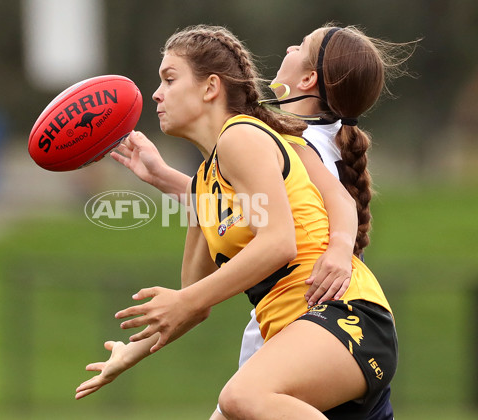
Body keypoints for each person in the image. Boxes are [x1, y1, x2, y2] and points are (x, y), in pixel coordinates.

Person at [75, 25, 400, 419]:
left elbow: (279, 242)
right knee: (239, 401)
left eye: (169, 79)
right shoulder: (206, 186)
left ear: (211, 87)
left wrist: (184, 300)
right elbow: (193, 303)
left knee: (240, 397)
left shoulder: (242, 136)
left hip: (345, 319)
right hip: (301, 337)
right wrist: (131, 353)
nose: (157, 94)